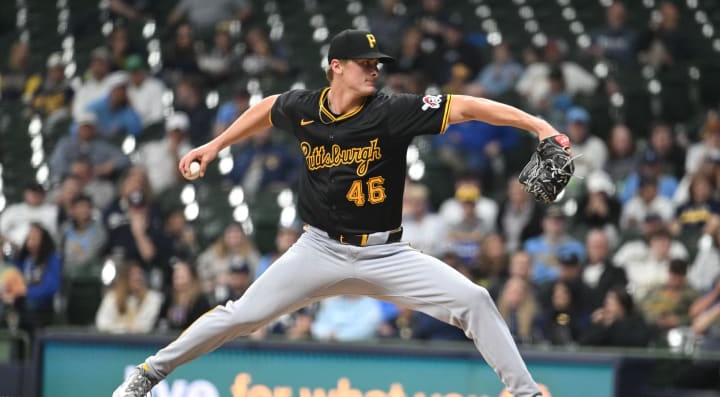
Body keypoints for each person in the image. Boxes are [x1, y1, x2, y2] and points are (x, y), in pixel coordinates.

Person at [113, 29, 570, 397]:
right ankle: (150, 373)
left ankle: (526, 393)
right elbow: (269, 107)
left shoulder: (393, 111)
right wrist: (215, 145)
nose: (374, 71)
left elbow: (468, 106)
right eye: (364, 64)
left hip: (386, 254)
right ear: (336, 67)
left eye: (377, 64)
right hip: (319, 249)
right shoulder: (305, 107)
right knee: (240, 316)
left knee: (475, 300)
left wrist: (538, 125)